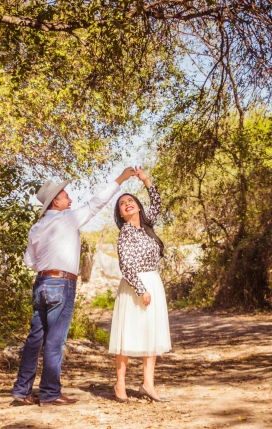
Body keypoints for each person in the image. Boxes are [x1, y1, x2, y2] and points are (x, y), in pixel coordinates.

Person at [11, 167, 137, 406]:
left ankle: (22, 389)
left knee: (34, 339)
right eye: (65, 195)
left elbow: (29, 261)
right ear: (55, 203)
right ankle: (49, 393)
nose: (70, 198)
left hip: (41, 283)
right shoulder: (67, 218)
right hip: (62, 283)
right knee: (54, 341)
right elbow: (96, 203)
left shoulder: (36, 227)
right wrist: (120, 179)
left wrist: (47, 265)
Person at [108, 167, 171, 403]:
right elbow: (125, 264)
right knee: (128, 335)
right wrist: (140, 289)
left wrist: (145, 180)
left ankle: (148, 384)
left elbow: (156, 202)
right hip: (136, 285)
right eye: (122, 203)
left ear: (138, 206)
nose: (127, 203)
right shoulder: (125, 232)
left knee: (151, 334)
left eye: (130, 200)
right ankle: (120, 384)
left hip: (153, 281)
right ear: (121, 214)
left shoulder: (147, 225)